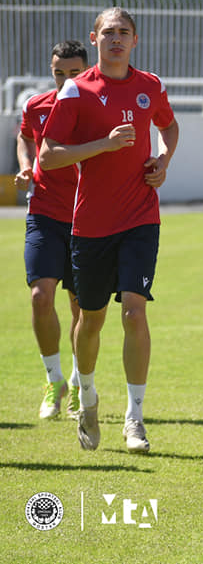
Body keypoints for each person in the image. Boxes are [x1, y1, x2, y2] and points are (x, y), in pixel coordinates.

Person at [38, 7, 179, 453]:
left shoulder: (149, 86)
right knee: (92, 319)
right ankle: (89, 397)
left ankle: (135, 418)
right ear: (94, 37)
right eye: (109, 32)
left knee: (134, 311)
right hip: (91, 225)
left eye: (124, 33)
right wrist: (102, 145)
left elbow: (169, 126)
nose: (116, 39)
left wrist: (162, 159)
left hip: (140, 218)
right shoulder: (77, 90)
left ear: (135, 40)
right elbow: (48, 156)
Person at [15, 40, 88, 420]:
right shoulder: (36, 105)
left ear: (87, 71)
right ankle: (53, 380)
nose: (65, 81)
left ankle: (77, 382)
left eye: (74, 73)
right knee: (40, 297)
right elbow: (26, 136)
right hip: (43, 212)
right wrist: (26, 164)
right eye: (59, 72)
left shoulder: (95, 107)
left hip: (87, 217)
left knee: (81, 307)